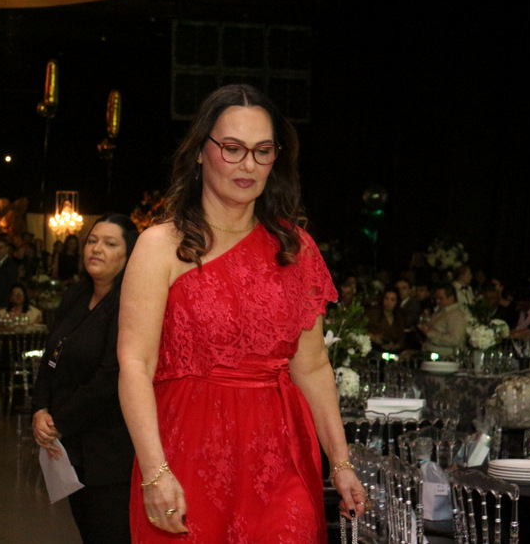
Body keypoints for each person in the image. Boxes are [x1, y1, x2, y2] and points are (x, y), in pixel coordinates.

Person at [117, 84, 366, 541]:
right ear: (200, 151)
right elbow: (135, 364)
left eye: (262, 151)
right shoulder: (161, 247)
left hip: (279, 454)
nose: (248, 165)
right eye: (232, 148)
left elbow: (312, 366)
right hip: (186, 454)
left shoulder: (295, 248)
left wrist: (341, 462)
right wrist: (154, 471)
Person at [32, 214, 139, 544]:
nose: (96, 249)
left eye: (110, 243)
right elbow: (51, 356)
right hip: (71, 447)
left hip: (109, 449)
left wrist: (58, 421)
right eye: (92, 241)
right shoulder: (76, 295)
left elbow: (110, 378)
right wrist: (39, 409)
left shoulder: (129, 303)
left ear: (128, 254)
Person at [419, 284, 468, 358]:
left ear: (451, 298)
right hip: (431, 354)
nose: (437, 301)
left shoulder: (456, 315)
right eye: (436, 298)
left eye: (440, 298)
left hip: (443, 358)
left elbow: (455, 339)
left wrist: (430, 334)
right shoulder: (441, 311)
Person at [368, 287, 406, 353]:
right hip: (372, 349)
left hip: (392, 352)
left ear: (396, 302)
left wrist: (394, 346)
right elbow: (360, 330)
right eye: (386, 298)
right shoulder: (373, 313)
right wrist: (373, 337)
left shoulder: (398, 318)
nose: (388, 302)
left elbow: (401, 339)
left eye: (392, 300)